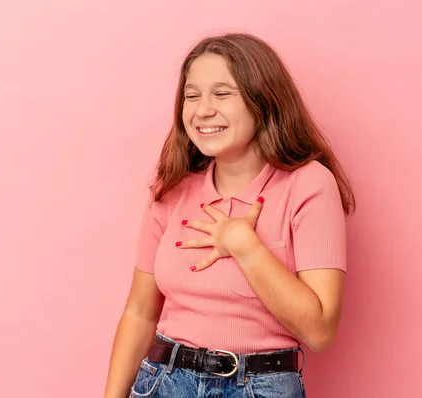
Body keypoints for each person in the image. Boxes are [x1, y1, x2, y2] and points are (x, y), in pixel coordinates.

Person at [103, 32, 355, 398]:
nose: (202, 109)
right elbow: (140, 312)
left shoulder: (309, 185)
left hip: (260, 387)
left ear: (263, 100)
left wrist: (245, 247)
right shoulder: (173, 188)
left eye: (222, 93)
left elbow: (319, 331)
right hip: (164, 382)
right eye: (192, 95)